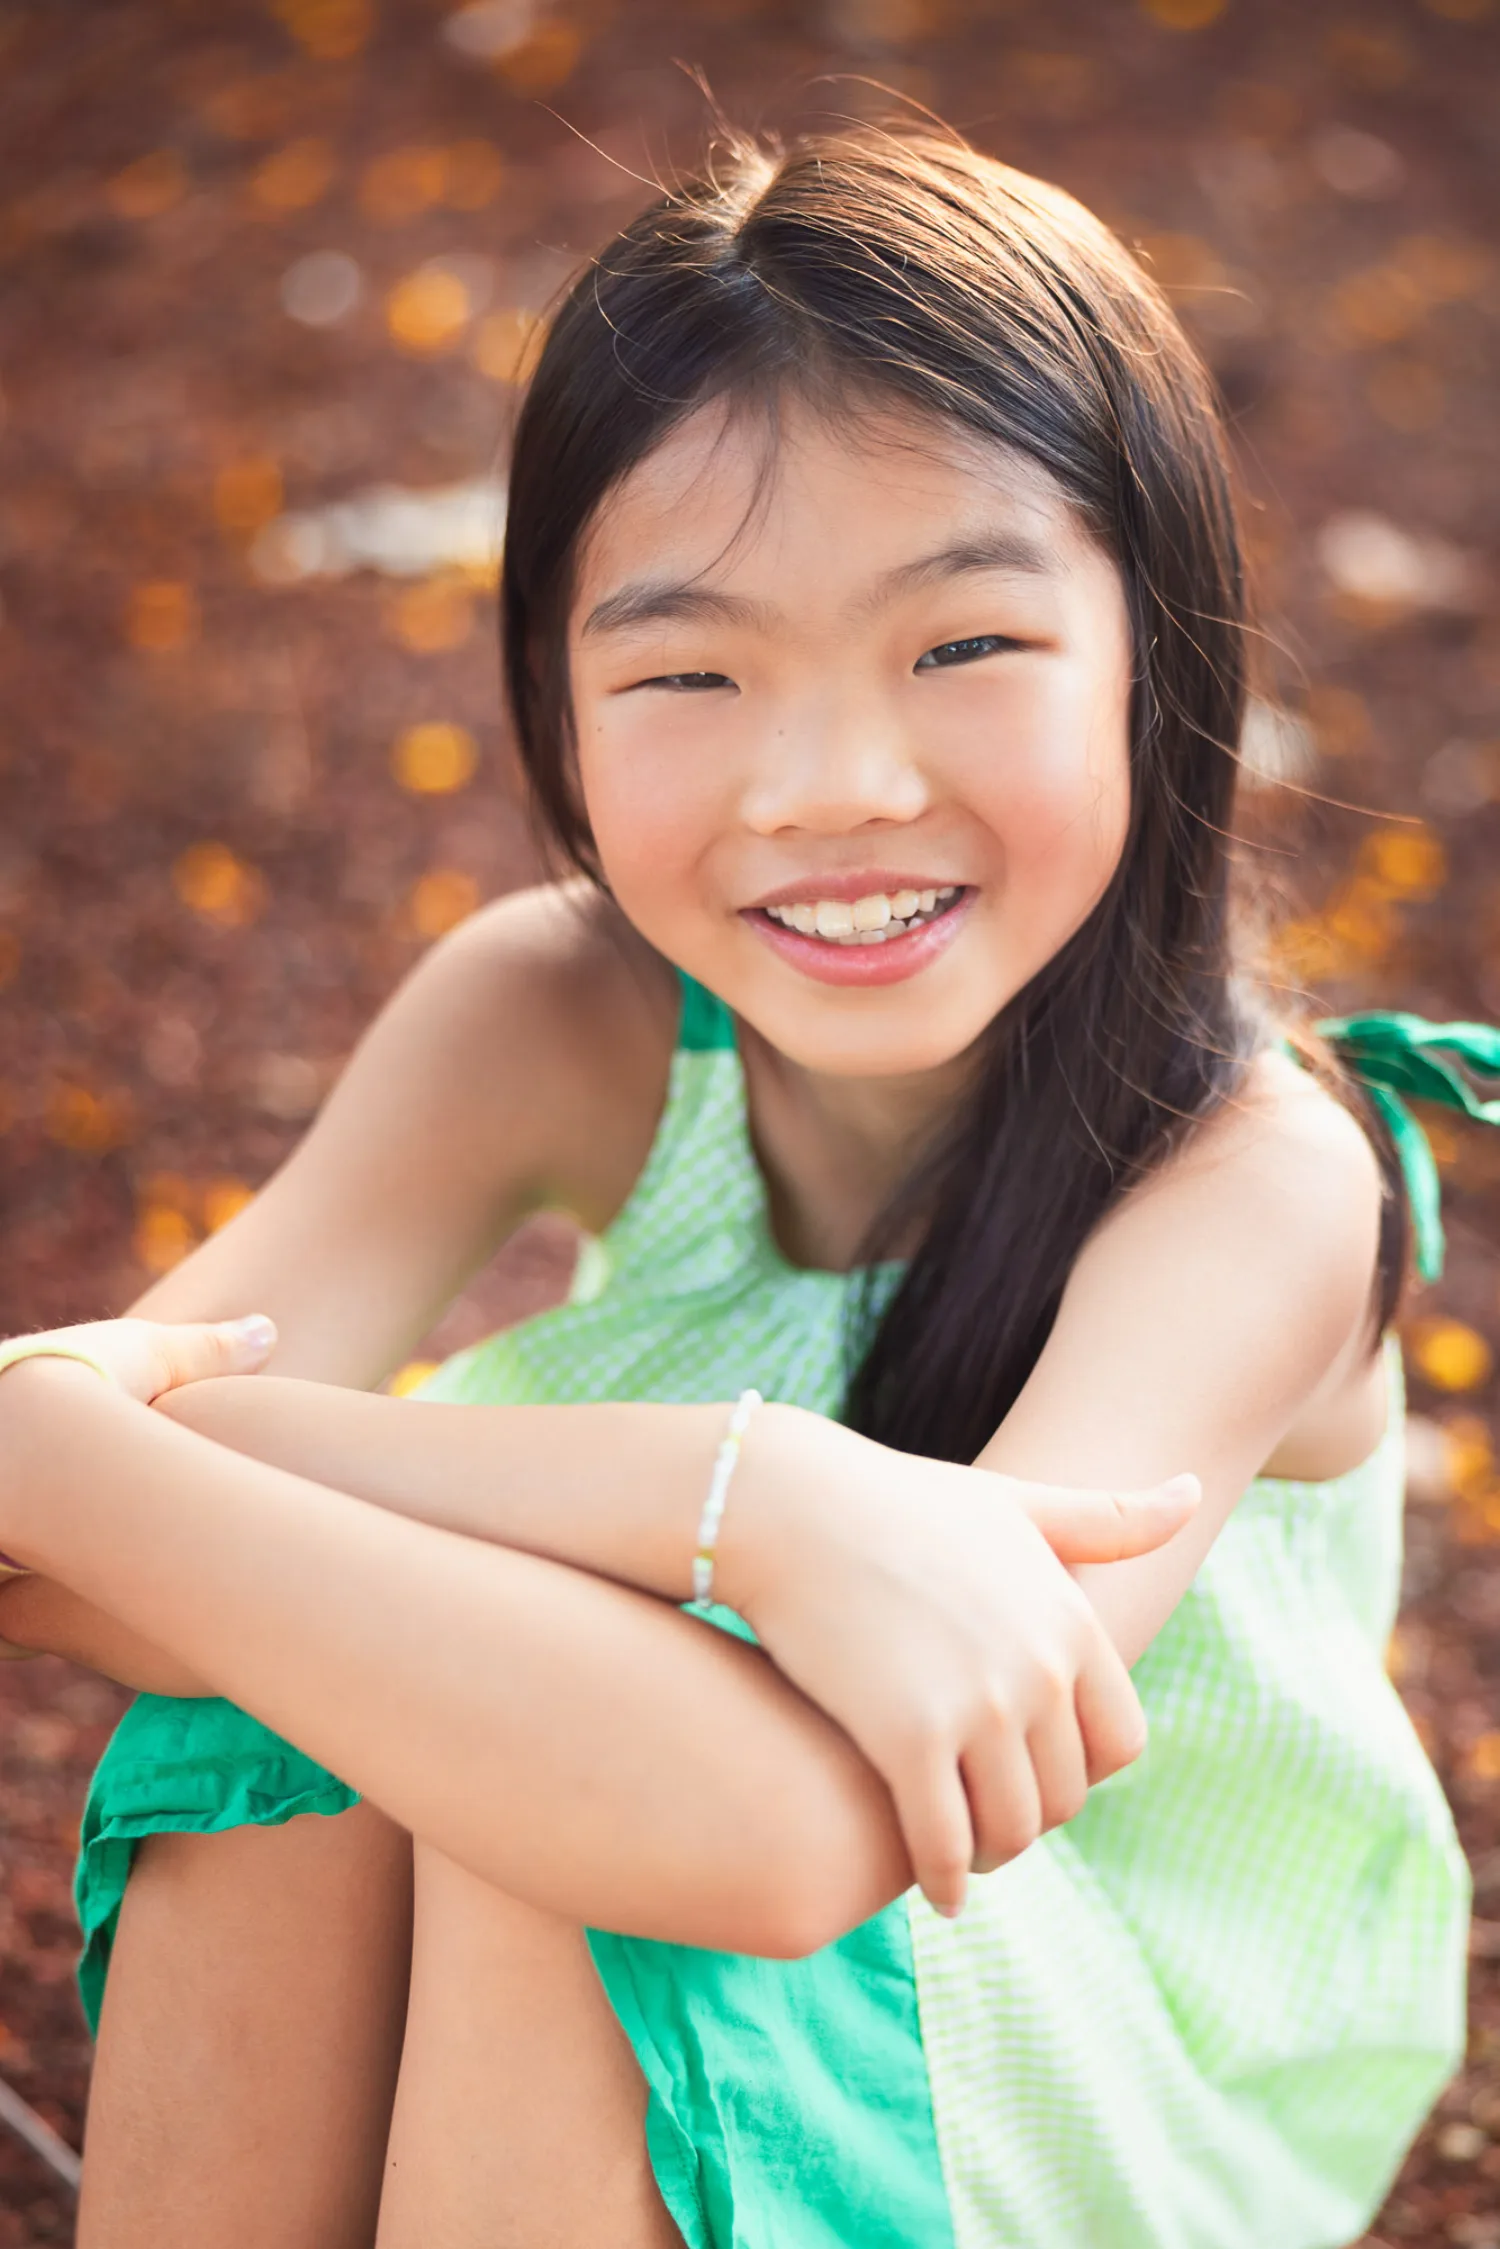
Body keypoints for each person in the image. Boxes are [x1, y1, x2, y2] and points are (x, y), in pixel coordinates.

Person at [0, 124, 1480, 2249]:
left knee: (550, 1761)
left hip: (1091, 2043)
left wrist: (62, 1443)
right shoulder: (546, 1009)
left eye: (962, 646)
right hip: (717, 1897)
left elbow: (789, 1839)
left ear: (1159, 655)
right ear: (559, 705)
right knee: (298, 1686)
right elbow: (77, 1555)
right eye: (692, 673)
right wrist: (745, 1497)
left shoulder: (1257, 1179)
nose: (834, 787)